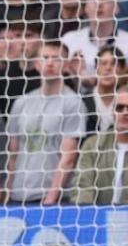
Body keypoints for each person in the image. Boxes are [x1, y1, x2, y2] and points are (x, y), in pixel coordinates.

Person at [5, 41, 86, 205]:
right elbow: (12, 153)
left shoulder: (73, 103)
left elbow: (68, 157)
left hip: (50, 199)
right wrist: (7, 192)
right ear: (37, 64)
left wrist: (50, 198)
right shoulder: (21, 102)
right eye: (45, 57)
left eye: (56, 58)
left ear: (65, 65)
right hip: (17, 195)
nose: (50, 62)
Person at [71, 87, 128, 205]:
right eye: (120, 108)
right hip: (99, 219)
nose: (125, 112)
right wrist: (88, 217)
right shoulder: (92, 145)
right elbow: (83, 185)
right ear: (113, 112)